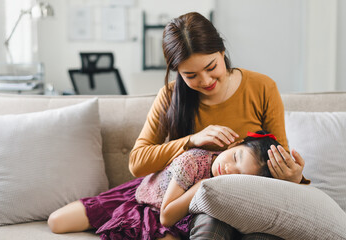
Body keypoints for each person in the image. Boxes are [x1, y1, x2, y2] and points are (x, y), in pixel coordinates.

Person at [128, 12, 309, 239]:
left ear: (222, 53)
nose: (205, 80)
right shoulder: (170, 96)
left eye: (211, 66)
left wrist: (292, 178)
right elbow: (137, 163)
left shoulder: (262, 87)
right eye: (191, 75)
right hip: (196, 206)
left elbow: (273, 154)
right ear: (178, 72)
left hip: (251, 199)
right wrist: (191, 140)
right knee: (211, 225)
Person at [48, 131, 280, 239]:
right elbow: (166, 215)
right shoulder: (194, 160)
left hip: (173, 220)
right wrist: (201, 188)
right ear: (234, 145)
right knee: (56, 222)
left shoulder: (233, 187)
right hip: (144, 198)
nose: (229, 169)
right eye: (236, 158)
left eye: (238, 174)